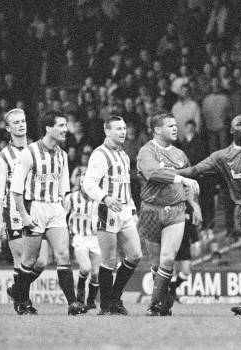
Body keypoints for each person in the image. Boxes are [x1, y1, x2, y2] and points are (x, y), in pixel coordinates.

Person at [176, 114, 241, 316]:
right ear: (232, 130)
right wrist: (168, 172)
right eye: (240, 124)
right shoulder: (222, 156)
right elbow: (195, 170)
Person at [11, 110, 86, 316]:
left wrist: (65, 207)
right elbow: (16, 189)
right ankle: (22, 300)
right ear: (48, 128)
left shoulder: (62, 155)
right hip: (35, 208)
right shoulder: (30, 152)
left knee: (63, 255)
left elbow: (64, 188)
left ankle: (73, 304)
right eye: (61, 125)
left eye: (65, 125)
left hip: (55, 209)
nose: (65, 129)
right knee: (30, 260)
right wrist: (24, 215)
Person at [136, 112, 201, 316]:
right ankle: (164, 301)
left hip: (175, 210)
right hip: (151, 211)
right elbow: (153, 173)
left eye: (175, 125)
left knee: (167, 259)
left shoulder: (180, 155)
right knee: (156, 264)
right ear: (157, 129)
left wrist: (194, 204)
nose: (175, 128)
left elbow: (189, 182)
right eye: (170, 125)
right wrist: (181, 179)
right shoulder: (146, 152)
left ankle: (154, 305)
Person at [0, 108, 50, 314]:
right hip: (13, 211)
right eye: (16, 122)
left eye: (23, 121)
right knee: (21, 257)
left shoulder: (35, 149)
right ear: (8, 128)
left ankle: (17, 290)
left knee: (41, 261)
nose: (21, 125)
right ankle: (23, 304)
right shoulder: (3, 157)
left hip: (35, 209)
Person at [82, 115, 143, 315]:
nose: (123, 132)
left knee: (135, 255)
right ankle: (106, 305)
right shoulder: (100, 155)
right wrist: (105, 198)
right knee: (108, 260)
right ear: (107, 131)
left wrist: (133, 208)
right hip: (107, 211)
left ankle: (115, 298)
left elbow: (125, 185)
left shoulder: (124, 155)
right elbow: (88, 184)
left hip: (125, 211)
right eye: (118, 128)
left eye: (124, 128)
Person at [64, 174, 100, 310]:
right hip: (79, 237)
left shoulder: (99, 198)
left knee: (96, 273)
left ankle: (90, 301)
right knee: (85, 267)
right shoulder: (71, 198)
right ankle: (80, 296)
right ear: (80, 184)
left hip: (95, 238)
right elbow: (63, 216)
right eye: (84, 183)